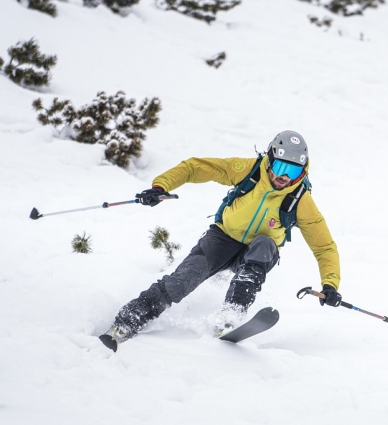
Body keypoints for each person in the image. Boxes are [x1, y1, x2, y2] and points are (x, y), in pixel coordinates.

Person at [99, 130, 341, 352]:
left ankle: (230, 317)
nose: (283, 177)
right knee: (182, 281)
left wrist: (330, 285)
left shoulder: (301, 201)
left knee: (265, 245)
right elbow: (195, 167)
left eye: (293, 172)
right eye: (279, 167)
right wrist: (161, 186)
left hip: (258, 250)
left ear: (303, 172)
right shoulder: (247, 170)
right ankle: (127, 321)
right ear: (270, 158)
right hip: (222, 238)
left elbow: (324, 246)